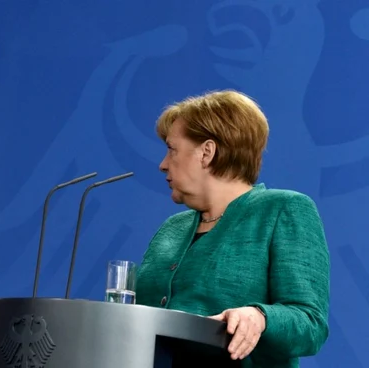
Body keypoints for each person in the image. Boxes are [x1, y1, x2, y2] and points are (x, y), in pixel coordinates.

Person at [135, 90, 329, 367]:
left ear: (207, 152)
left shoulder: (283, 209)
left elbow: (311, 325)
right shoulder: (172, 228)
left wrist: (259, 316)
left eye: (172, 149)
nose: (163, 164)